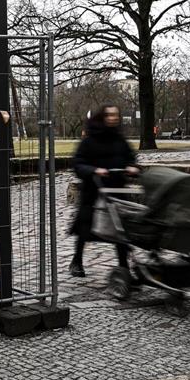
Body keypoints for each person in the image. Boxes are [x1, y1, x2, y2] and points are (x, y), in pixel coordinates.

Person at [69, 105, 140, 277]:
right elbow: (78, 163)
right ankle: (77, 261)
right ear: (102, 117)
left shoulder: (120, 140)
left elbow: (131, 159)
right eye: (109, 115)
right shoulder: (89, 141)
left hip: (117, 191)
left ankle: (124, 266)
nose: (113, 118)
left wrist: (132, 168)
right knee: (86, 228)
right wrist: (94, 170)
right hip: (94, 190)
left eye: (116, 115)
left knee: (120, 230)